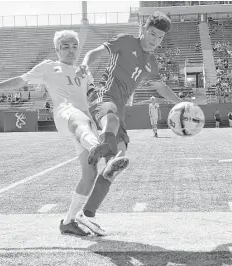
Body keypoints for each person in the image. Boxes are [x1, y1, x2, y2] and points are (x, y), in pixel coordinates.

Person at [0, 30, 128, 237]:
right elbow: (19, 81)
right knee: (79, 119)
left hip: (86, 127)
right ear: (57, 49)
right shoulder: (48, 67)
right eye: (65, 46)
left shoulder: (85, 71)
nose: (71, 50)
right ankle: (105, 154)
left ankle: (68, 222)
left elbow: (92, 96)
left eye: (74, 46)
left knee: (89, 173)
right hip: (66, 114)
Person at [75, 11, 182, 232]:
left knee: (119, 161)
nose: (155, 40)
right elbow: (96, 51)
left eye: (160, 37)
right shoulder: (125, 41)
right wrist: (85, 64)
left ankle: (86, 213)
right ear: (143, 29)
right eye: (152, 34)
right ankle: (102, 148)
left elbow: (161, 87)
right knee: (111, 119)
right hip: (103, 95)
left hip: (120, 108)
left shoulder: (151, 62)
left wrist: (180, 104)